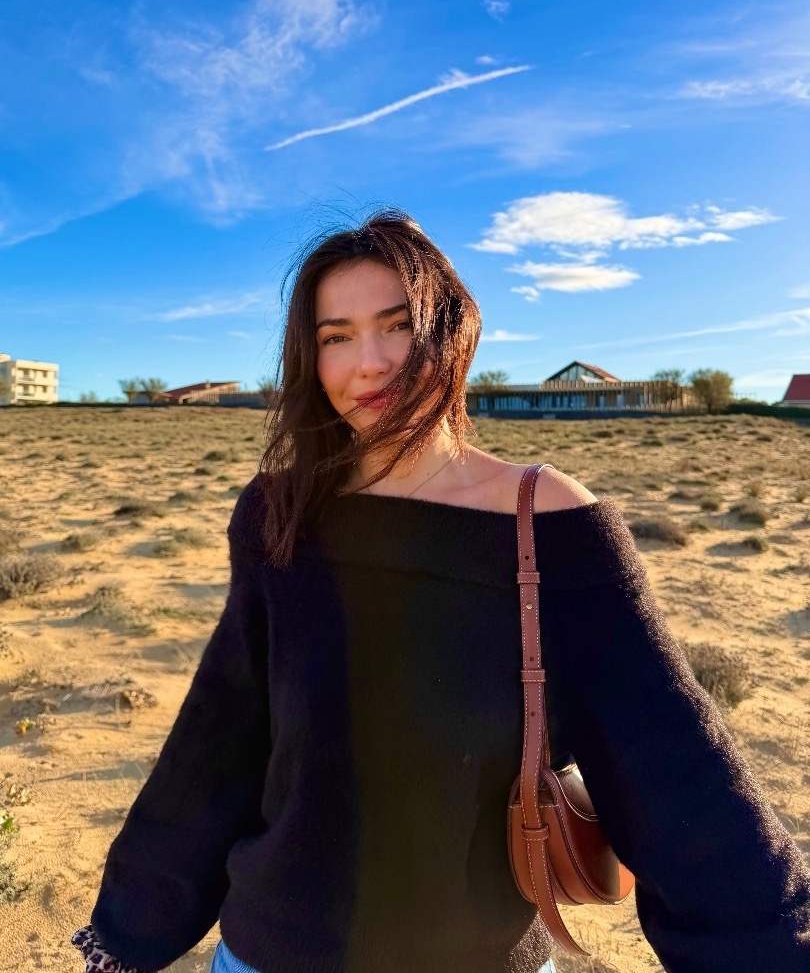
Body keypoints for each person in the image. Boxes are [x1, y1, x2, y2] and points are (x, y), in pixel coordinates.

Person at [72, 210, 810, 973]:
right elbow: (222, 733)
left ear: (453, 335)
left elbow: (673, 768)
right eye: (336, 337)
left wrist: (768, 950)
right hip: (274, 950)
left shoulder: (548, 523)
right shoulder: (279, 513)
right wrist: (131, 928)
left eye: (398, 326)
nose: (370, 363)